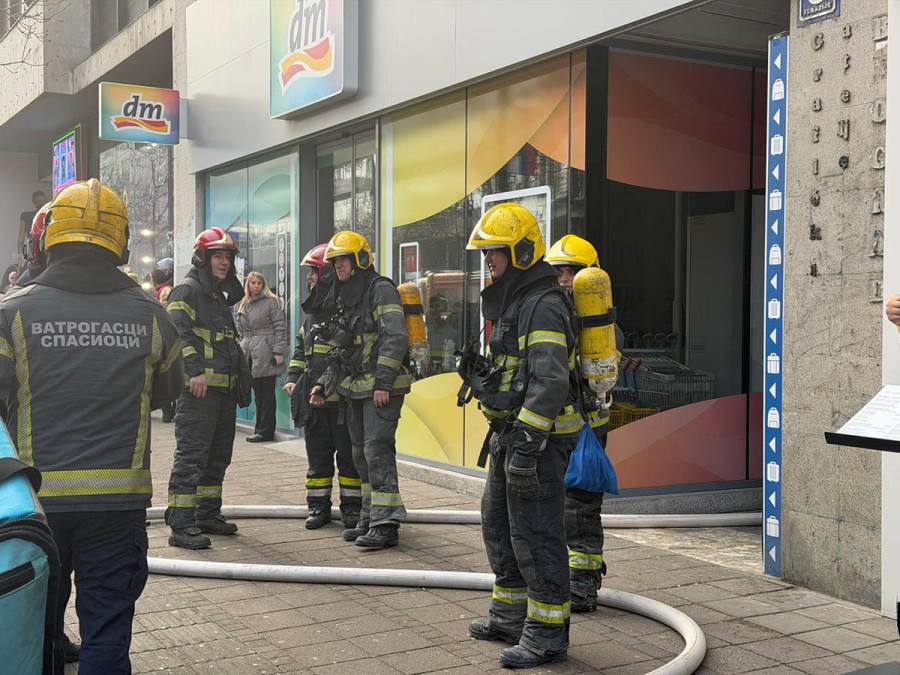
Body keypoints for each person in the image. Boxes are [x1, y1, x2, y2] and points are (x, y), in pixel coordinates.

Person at [0, 178, 182, 674]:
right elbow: (166, 392)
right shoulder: (153, 316)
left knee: (37, 626)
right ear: (121, 244)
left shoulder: (11, 312)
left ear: (47, 239)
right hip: (117, 506)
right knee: (107, 629)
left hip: (36, 503)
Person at [462, 203, 583, 668]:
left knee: (536, 533)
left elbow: (550, 381)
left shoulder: (543, 305)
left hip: (539, 442)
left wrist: (529, 445)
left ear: (522, 252)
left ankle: (548, 633)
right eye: (486, 253)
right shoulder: (516, 300)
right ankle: (510, 616)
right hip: (511, 434)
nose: (488, 261)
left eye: (494, 252)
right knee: (497, 523)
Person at [310, 230, 410, 549]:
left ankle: (386, 523)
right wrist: (323, 385)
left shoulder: (380, 290)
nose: (338, 266)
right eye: (335, 261)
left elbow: (395, 337)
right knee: (360, 455)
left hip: (380, 388)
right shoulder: (348, 296)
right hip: (356, 388)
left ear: (361, 260)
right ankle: (369, 516)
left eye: (343, 260)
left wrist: (383, 382)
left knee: (377, 451)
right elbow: (345, 350)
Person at [546, 233, 623, 614]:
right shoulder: (551, 318)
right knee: (555, 507)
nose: (564, 279)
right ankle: (564, 579)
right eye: (559, 272)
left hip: (586, 431)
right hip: (556, 429)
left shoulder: (599, 327)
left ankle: (584, 583)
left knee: (580, 507)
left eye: (571, 272)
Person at [165, 227, 249, 550]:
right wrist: (194, 372)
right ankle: (181, 524)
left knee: (217, 457)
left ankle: (207, 514)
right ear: (203, 258)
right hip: (199, 393)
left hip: (222, 393)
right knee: (192, 458)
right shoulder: (187, 291)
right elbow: (178, 334)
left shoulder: (217, 297)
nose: (225, 262)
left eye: (228, 257)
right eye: (218, 256)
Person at [283, 243, 361, 530]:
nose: (309, 278)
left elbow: (349, 357)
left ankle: (352, 509)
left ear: (326, 274)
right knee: (318, 458)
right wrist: (293, 378)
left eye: (313, 272)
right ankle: (318, 507)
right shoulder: (312, 314)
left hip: (341, 402)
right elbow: (301, 350)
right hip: (314, 405)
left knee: (348, 459)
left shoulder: (346, 311)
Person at [236, 270, 288, 442]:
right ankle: (259, 428)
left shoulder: (271, 302)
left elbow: (280, 327)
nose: (256, 286)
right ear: (248, 285)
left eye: (259, 283)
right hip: (249, 352)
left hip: (266, 350)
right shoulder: (243, 303)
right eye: (253, 283)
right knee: (258, 394)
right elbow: (240, 330)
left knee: (267, 394)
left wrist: (278, 351)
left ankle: (265, 431)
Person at [152, 259, 177, 422]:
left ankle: (168, 411)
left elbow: (163, 311)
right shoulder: (163, 290)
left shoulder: (166, 290)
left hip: (165, 334)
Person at [16, 189, 48, 261]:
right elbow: (21, 239)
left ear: (34, 202)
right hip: (45, 252)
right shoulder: (49, 214)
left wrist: (20, 257)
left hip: (33, 253)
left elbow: (21, 239)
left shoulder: (25, 216)